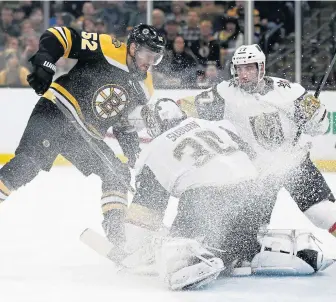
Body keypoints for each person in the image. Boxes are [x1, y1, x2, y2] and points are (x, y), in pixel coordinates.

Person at [119, 98, 333, 290]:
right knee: (239, 232)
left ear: (154, 127)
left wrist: (132, 247)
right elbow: (254, 160)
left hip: (207, 205)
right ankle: (246, 248)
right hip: (254, 199)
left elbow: (143, 216)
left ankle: (194, 255)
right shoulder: (215, 125)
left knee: (175, 246)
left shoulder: (154, 150)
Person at [0, 24, 166, 248]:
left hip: (85, 136)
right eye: (148, 55)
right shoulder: (108, 48)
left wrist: (134, 155)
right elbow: (59, 36)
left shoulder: (145, 88)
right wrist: (45, 63)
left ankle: (118, 237)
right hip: (57, 113)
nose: (150, 62)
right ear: (133, 48)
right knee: (28, 164)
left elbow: (124, 125)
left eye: (156, 58)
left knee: (117, 173)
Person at [178, 44, 336, 240]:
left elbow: (319, 127)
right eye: (240, 68)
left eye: (249, 68)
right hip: (257, 172)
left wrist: (316, 115)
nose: (243, 75)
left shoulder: (289, 92)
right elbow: (191, 106)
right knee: (247, 238)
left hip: (294, 163)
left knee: (322, 213)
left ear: (261, 68)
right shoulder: (227, 93)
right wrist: (170, 109)